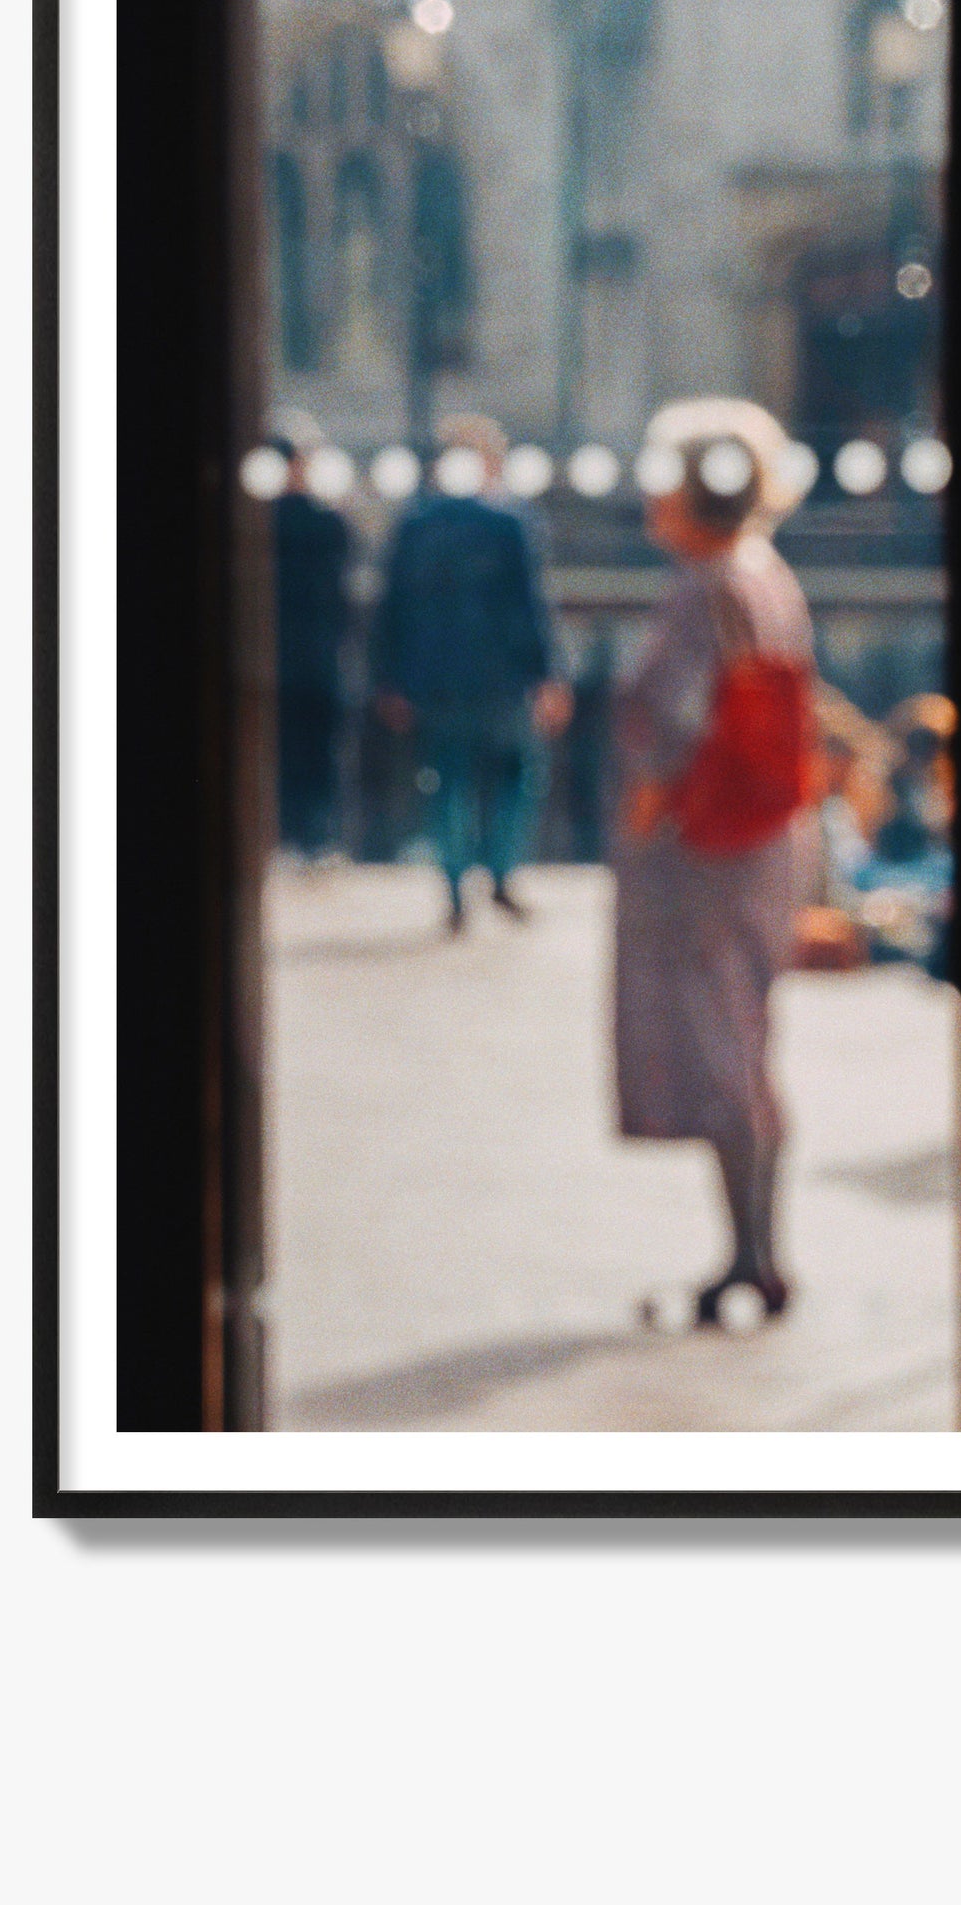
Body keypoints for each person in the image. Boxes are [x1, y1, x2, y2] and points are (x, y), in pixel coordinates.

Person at [613, 398, 818, 1326]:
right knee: (747, 1038)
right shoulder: (767, 572)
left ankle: (750, 1255)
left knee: (720, 1042)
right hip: (766, 843)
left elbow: (678, 720)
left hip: (708, 851)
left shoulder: (704, 587)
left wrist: (654, 805)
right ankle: (758, 1248)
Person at [370, 415, 572, 930]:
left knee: (447, 779)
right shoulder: (509, 524)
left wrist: (389, 677)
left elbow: (389, 606)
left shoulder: (415, 525)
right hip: (500, 675)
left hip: (434, 677)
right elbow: (531, 606)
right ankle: (498, 872)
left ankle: (458, 883)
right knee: (515, 775)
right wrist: (548, 674)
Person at [269, 416, 352, 857]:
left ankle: (312, 838)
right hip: (300, 657)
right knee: (298, 752)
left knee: (312, 751)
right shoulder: (324, 521)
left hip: (308, 657)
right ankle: (304, 838)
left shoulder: (322, 521)